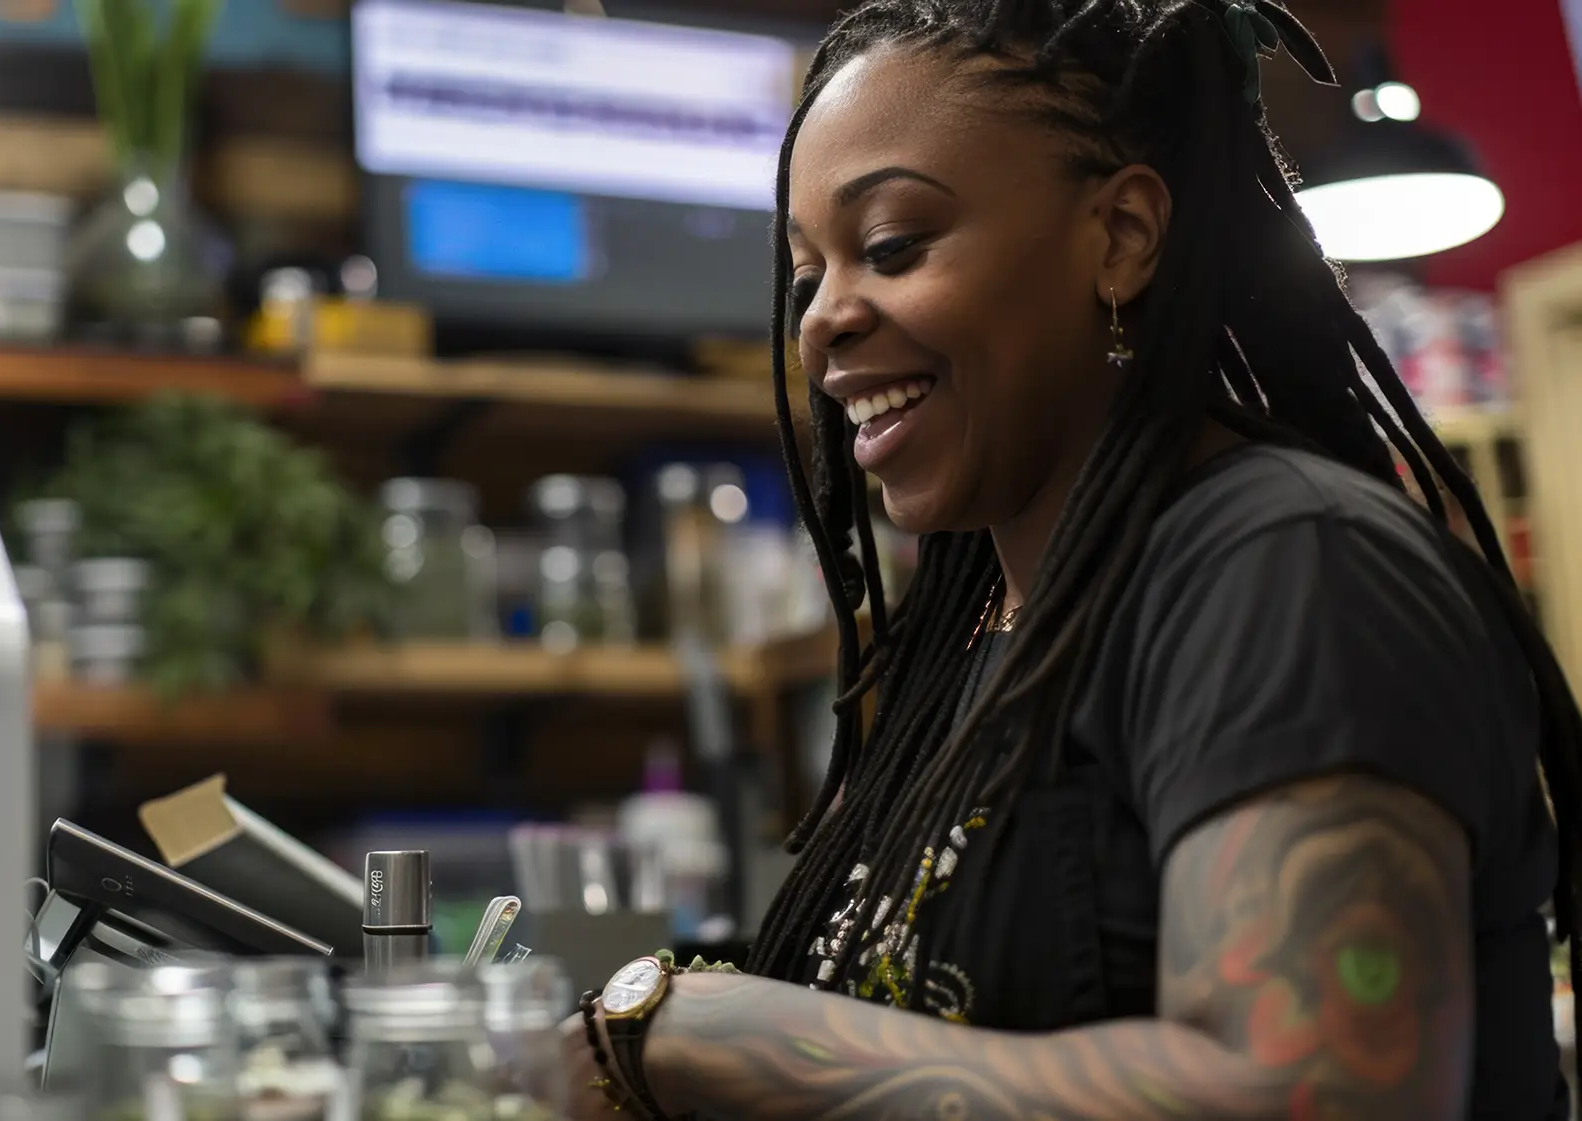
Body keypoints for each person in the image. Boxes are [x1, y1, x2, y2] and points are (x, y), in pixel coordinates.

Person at [561, 0, 1582, 1118]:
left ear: (1121, 236)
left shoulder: (1285, 565)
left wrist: (727, 1037)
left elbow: (1318, 1093)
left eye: (892, 244)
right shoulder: (974, 629)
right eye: (808, 273)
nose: (820, 321)